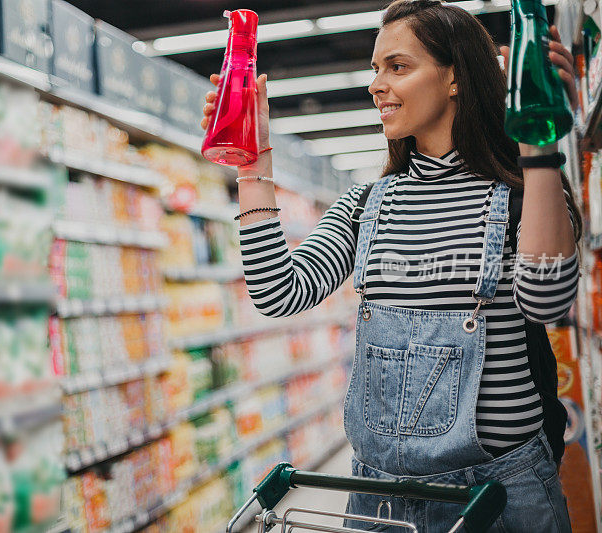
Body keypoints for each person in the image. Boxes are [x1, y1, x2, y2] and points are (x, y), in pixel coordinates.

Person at [201, 0, 581, 530]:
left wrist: (538, 146)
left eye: (397, 67)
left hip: (496, 496)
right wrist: (253, 170)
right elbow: (277, 292)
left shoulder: (519, 194)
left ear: (454, 78)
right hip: (379, 494)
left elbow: (547, 300)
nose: (376, 84)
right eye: (374, 69)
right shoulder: (366, 204)